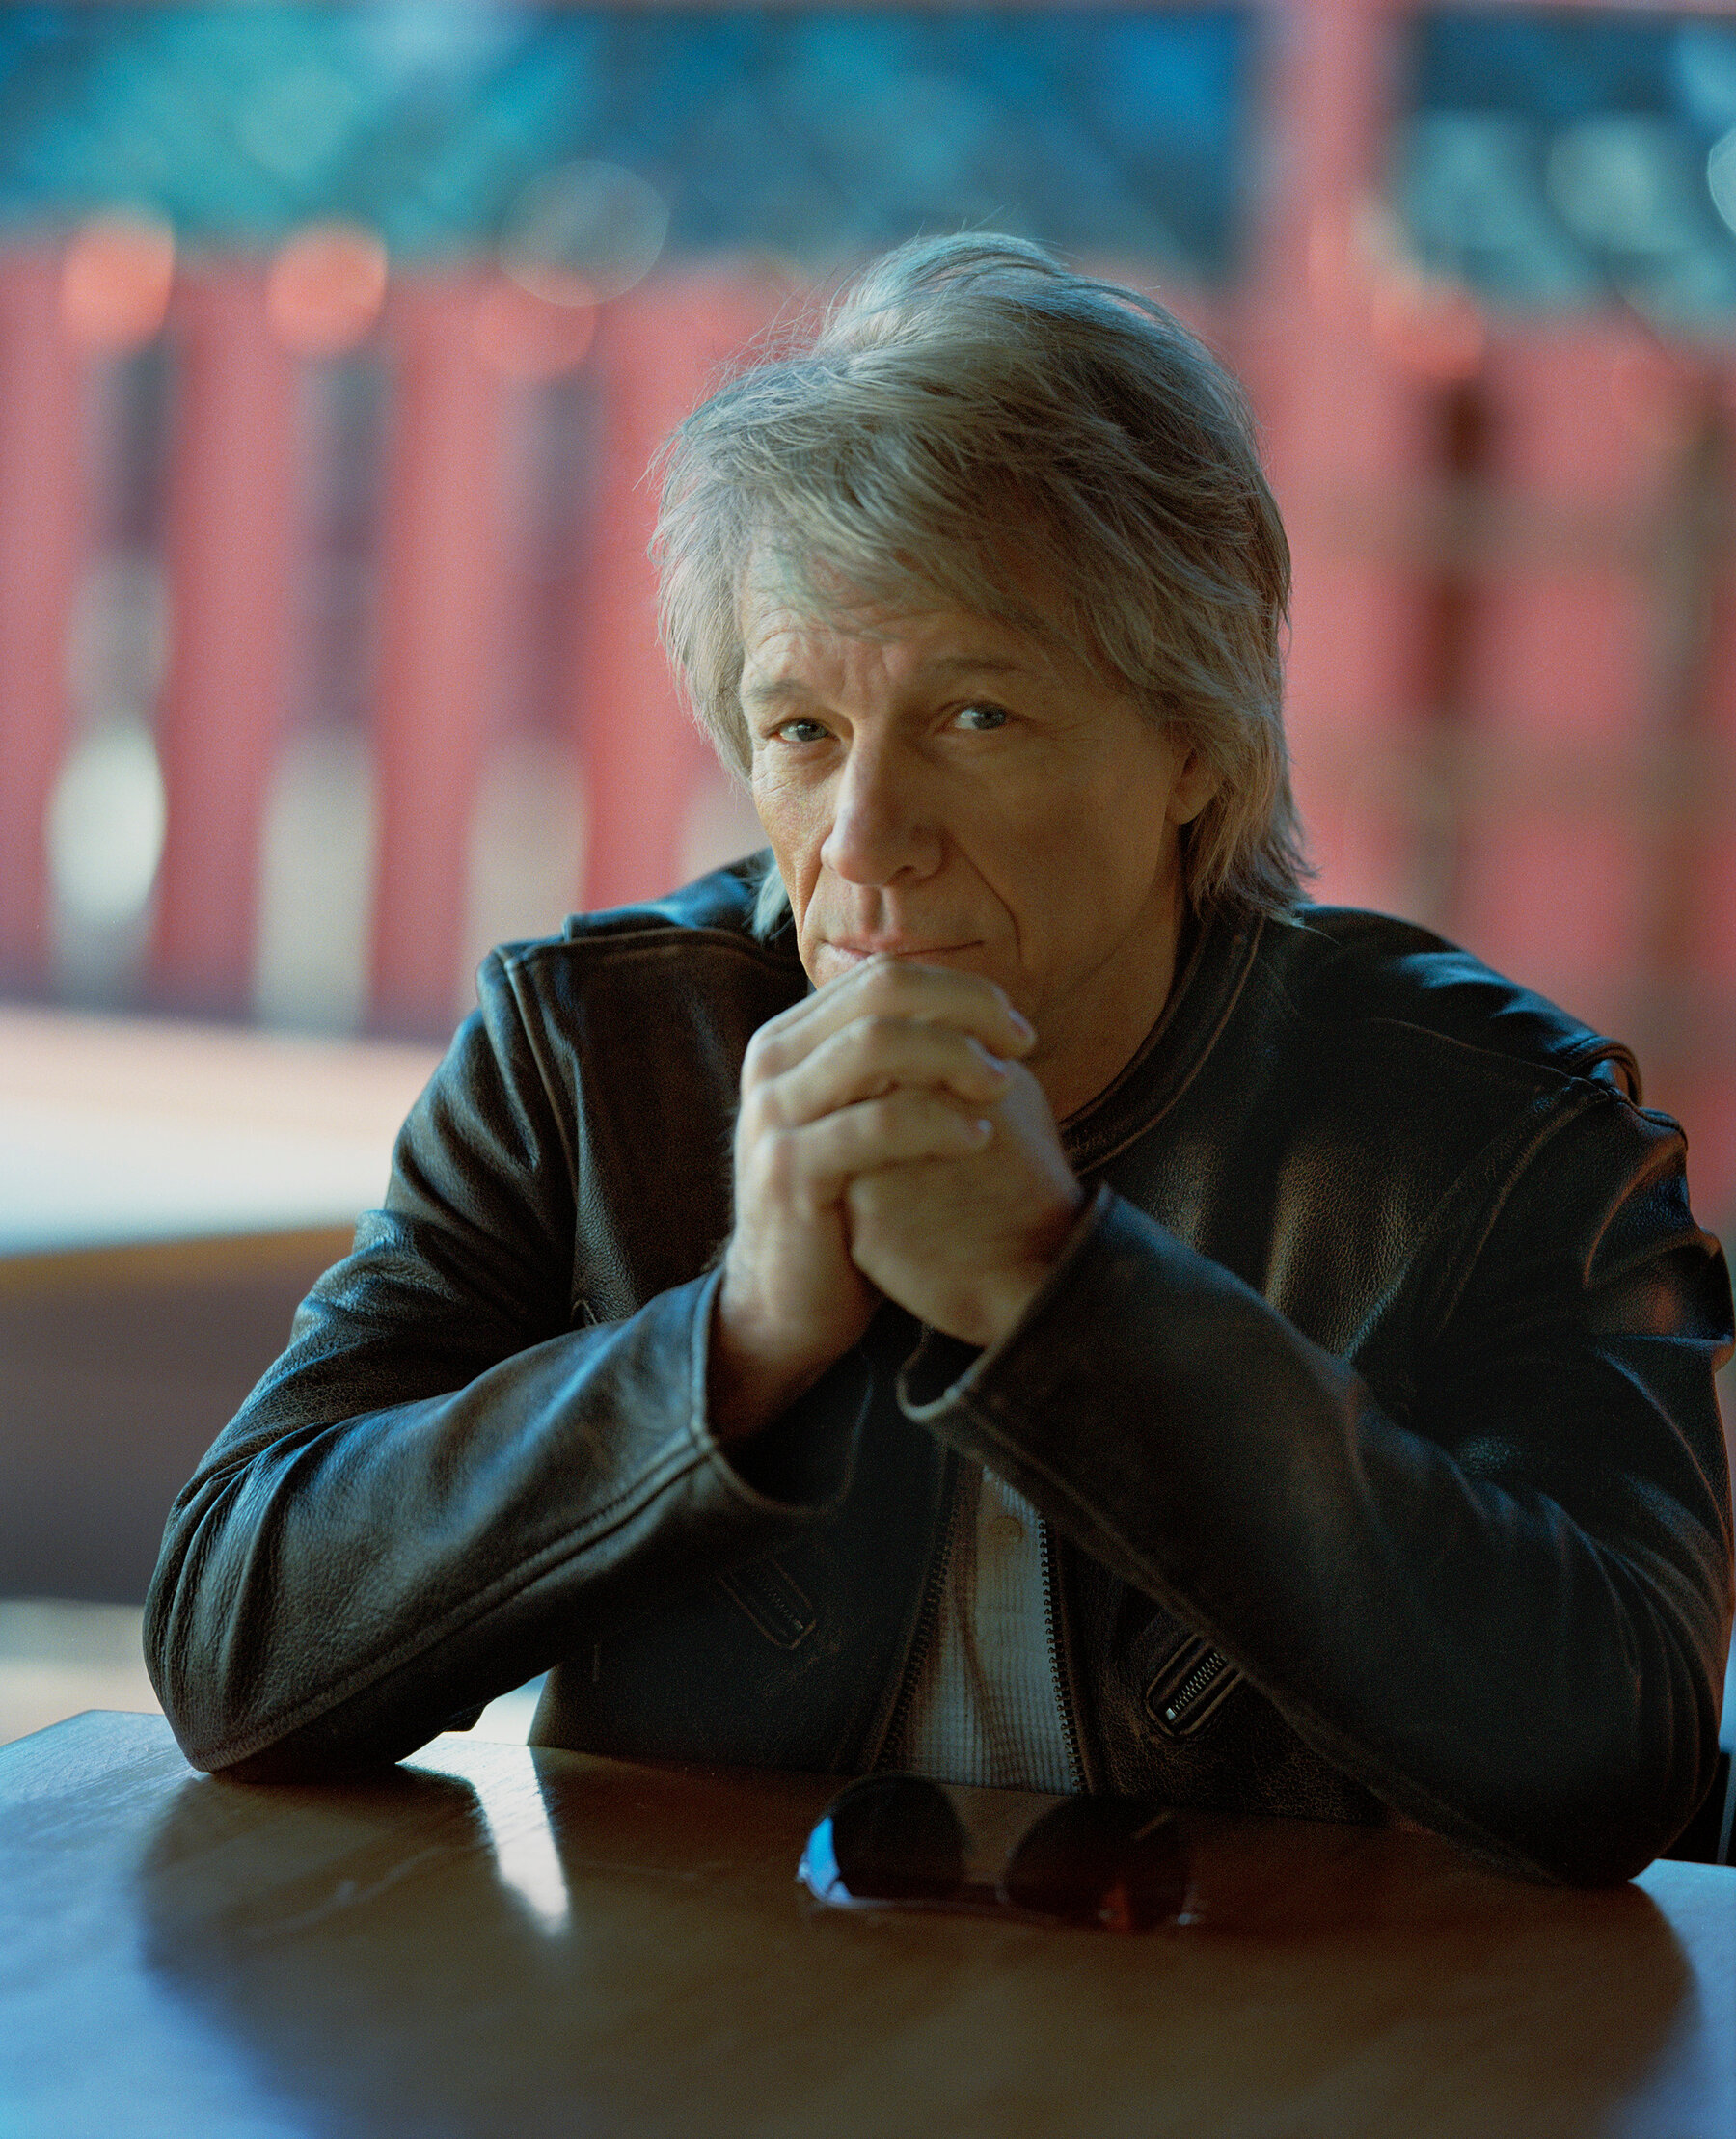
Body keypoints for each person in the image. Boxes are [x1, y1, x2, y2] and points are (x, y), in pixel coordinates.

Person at [146, 235, 1733, 1886]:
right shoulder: (588, 1059)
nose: (867, 840)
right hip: (713, 2051)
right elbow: (229, 1650)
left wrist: (1064, 1301)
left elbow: (1621, 1755)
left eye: (978, 716)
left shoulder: (1491, 1133)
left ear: (1196, 745)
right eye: (804, 733)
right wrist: (737, 1342)